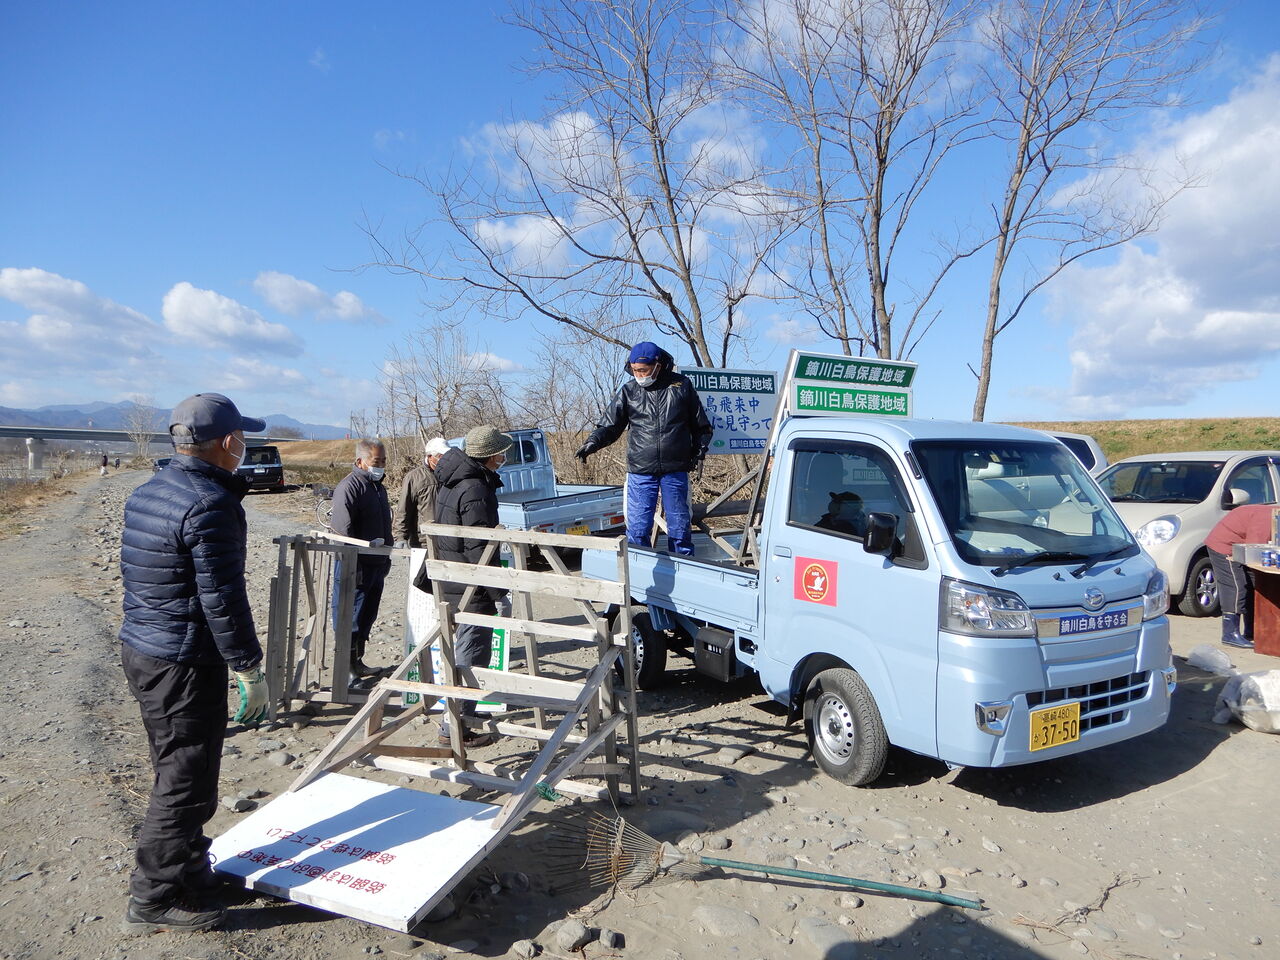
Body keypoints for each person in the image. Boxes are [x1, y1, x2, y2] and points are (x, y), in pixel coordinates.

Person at [119, 392, 269, 934]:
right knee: (184, 780)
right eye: (242, 437)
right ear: (228, 442)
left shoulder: (151, 489)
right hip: (181, 661)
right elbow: (222, 598)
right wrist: (248, 666)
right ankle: (153, 897)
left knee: (183, 768)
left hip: (145, 649)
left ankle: (192, 872)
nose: (244, 445)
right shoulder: (210, 504)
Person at [575, 340, 712, 556]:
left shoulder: (681, 386)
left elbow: (701, 425)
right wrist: (593, 442)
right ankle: (640, 568)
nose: (638, 375)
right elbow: (610, 425)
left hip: (675, 468)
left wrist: (699, 451)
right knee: (638, 528)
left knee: (679, 527)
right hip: (640, 469)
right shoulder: (629, 391)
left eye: (643, 370)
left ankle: (684, 567)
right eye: (634, 370)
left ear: (657, 365)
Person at [433, 425, 513, 748]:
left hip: (454, 577)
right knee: (472, 650)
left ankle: (459, 715)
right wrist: (499, 593)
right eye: (500, 452)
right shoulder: (475, 487)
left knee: (466, 647)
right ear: (490, 456)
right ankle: (455, 726)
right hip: (471, 584)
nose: (503, 457)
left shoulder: (453, 480)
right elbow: (480, 546)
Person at [329, 439, 393, 684]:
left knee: (367, 616)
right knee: (350, 616)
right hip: (354, 565)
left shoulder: (378, 487)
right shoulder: (349, 486)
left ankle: (357, 662)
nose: (381, 465)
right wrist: (351, 564)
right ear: (360, 461)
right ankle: (345, 671)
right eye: (376, 461)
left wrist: (386, 556)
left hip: (377, 562)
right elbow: (342, 530)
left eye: (384, 461)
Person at [1205, 503, 1276, 649]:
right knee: (1236, 587)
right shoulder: (1266, 518)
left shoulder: (1274, 516)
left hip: (1241, 548)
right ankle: (1230, 634)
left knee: (1254, 585)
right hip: (1224, 546)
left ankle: (1251, 630)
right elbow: (1255, 546)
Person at [395, 436, 451, 548]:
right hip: (423, 541)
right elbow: (403, 510)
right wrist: (400, 537)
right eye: (440, 457)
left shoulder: (451, 475)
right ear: (430, 457)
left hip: (448, 539)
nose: (445, 461)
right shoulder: (414, 478)